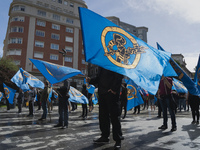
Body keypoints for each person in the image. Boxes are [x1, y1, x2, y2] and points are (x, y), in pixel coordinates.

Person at [87, 67, 124, 149]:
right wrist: (90, 80)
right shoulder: (101, 65)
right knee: (103, 117)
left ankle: (118, 140)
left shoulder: (113, 60)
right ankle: (104, 136)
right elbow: (99, 78)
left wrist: (114, 89)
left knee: (115, 117)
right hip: (102, 94)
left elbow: (119, 75)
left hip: (112, 94)